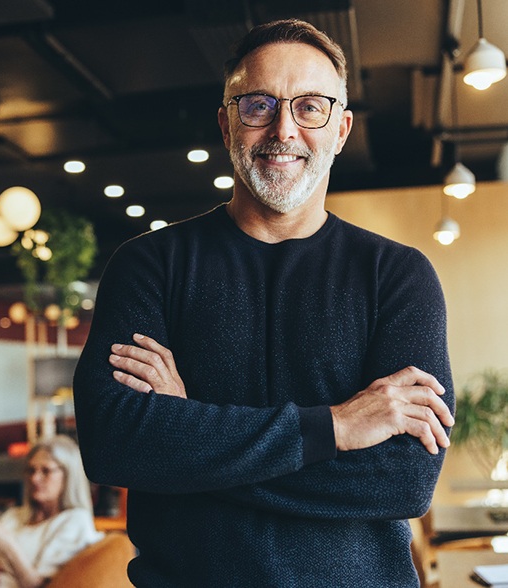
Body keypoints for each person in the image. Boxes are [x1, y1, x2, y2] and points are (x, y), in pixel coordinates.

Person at [73, 18, 455, 587]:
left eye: (310, 107)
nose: (284, 130)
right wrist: (336, 427)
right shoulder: (148, 264)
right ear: (227, 124)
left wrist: (187, 431)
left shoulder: (397, 275)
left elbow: (403, 481)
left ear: (342, 128)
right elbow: (113, 444)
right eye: (257, 105)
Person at [0, 435, 104, 588]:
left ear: (68, 476)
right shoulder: (14, 515)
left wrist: (7, 548)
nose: (35, 479)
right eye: (31, 471)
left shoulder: (74, 521)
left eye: (46, 471)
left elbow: (40, 586)